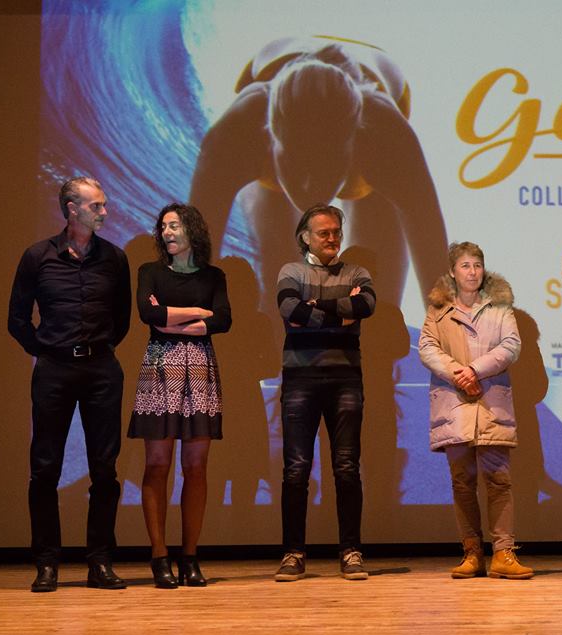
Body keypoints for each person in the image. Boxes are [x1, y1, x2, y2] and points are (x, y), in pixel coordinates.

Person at [189, 36, 447, 311]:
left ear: (354, 144)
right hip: (278, 77)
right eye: (297, 165)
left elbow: (435, 266)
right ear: (270, 137)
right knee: (276, 288)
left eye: (327, 167)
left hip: (375, 87)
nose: (310, 186)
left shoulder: (387, 141)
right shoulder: (236, 137)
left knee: (377, 306)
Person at [8, 177, 131, 592]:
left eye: (104, 204)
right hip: (55, 369)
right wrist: (47, 351)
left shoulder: (114, 258)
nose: (104, 212)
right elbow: (17, 319)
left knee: (105, 470)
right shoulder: (37, 256)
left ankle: (100, 562)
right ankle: (46, 563)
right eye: (97, 206)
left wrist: (97, 350)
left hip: (101, 370)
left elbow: (121, 320)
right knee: (45, 468)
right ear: (72, 209)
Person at [128, 203, 232, 588]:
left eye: (174, 225)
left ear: (192, 230)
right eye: (163, 227)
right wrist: (198, 313)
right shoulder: (150, 272)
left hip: (200, 370)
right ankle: (159, 556)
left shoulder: (213, 276)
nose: (167, 232)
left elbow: (223, 319)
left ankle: (190, 557)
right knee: (157, 464)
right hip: (160, 368)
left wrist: (174, 319)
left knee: (196, 467)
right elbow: (148, 314)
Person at [273, 203, 376, 581]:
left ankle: (351, 551)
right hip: (300, 379)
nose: (332, 238)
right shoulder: (291, 271)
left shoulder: (357, 272)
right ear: (305, 237)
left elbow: (366, 305)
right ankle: (293, 554)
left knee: (346, 467)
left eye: (336, 232)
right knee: (296, 469)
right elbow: (290, 309)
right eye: (324, 233)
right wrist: (339, 314)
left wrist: (316, 306)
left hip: (346, 378)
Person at [419, 242, 533, 580]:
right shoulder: (438, 310)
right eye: (465, 266)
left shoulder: (500, 307)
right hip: (454, 402)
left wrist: (475, 370)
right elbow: (427, 347)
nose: (472, 272)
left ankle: (503, 553)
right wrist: (459, 374)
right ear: (453, 272)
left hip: (490, 402)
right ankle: (472, 553)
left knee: (499, 479)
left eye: (477, 265)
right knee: (462, 481)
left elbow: (511, 345)